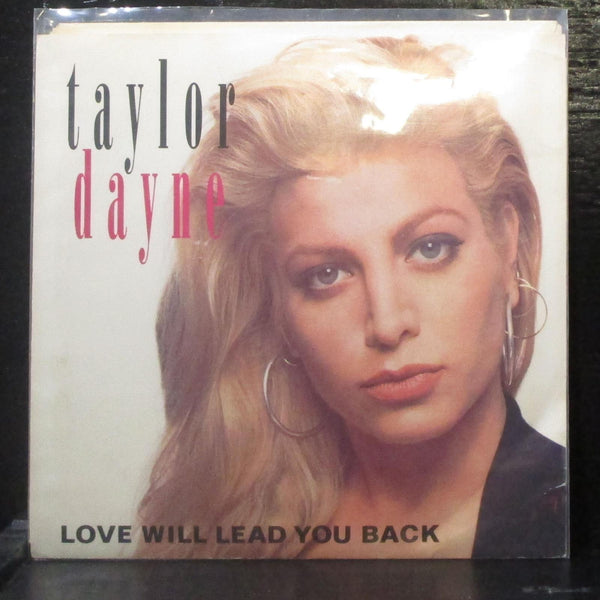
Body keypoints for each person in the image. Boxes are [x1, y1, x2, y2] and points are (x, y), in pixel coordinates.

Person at [137, 36, 566, 558]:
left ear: (508, 244)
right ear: (278, 310)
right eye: (326, 274)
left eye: (430, 248)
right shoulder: (221, 536)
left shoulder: (568, 525)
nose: (387, 324)